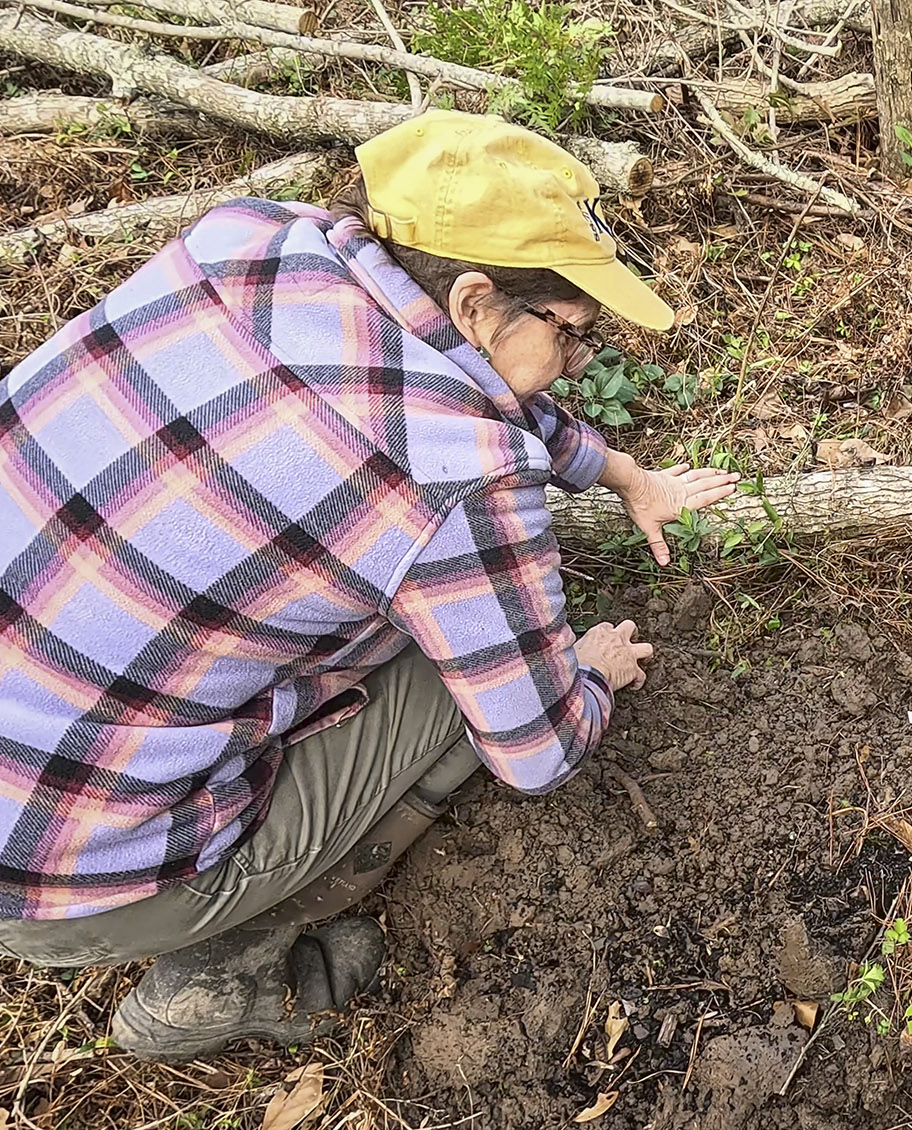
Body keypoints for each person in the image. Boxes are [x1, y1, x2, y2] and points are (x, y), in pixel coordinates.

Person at [0, 110, 737, 1059]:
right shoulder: (457, 479)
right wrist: (586, 669)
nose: (579, 360)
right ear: (476, 301)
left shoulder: (254, 242)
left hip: (36, 736)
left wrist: (616, 468)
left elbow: (445, 376)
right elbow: (539, 752)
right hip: (61, 879)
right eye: (573, 335)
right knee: (466, 676)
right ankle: (222, 973)